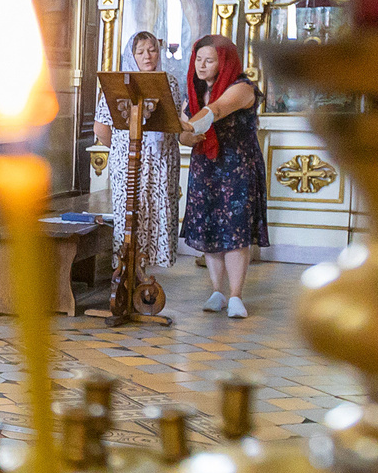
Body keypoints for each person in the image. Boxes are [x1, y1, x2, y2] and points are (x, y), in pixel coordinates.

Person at [178, 32, 268, 318]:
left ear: (225, 63)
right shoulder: (193, 89)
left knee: (235, 229)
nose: (201, 66)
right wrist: (184, 136)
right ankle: (217, 291)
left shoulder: (242, 87)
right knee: (209, 226)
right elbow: (183, 134)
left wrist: (183, 126)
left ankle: (236, 295)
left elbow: (215, 110)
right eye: (198, 60)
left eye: (209, 60)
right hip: (206, 165)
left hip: (237, 165)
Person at [95, 30, 181, 290]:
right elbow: (101, 128)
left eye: (152, 49)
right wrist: (124, 148)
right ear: (131, 55)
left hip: (161, 162)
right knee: (129, 215)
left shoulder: (171, 82)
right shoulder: (118, 83)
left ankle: (143, 272)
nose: (147, 56)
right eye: (140, 51)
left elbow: (174, 123)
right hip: (129, 162)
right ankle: (128, 273)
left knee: (155, 214)